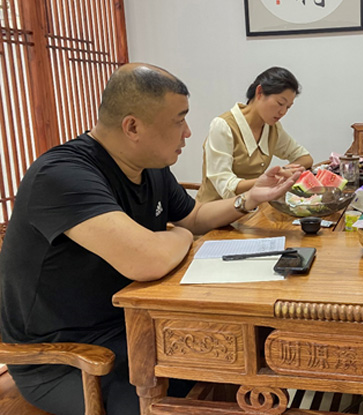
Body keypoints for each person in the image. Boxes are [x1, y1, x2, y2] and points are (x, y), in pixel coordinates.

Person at [0, 63, 301, 415]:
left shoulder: (151, 167)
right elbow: (148, 260)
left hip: (138, 325)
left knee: (253, 360)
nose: (188, 132)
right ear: (133, 126)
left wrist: (249, 198)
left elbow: (194, 217)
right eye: (179, 120)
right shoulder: (63, 175)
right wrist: (180, 235)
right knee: (196, 397)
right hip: (67, 358)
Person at [196, 66, 313, 203]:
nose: (283, 112)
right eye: (280, 103)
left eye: (288, 107)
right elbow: (226, 187)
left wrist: (284, 170)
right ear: (260, 92)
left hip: (251, 208)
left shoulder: (272, 128)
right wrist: (269, 180)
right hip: (214, 210)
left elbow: (305, 158)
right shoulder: (223, 126)